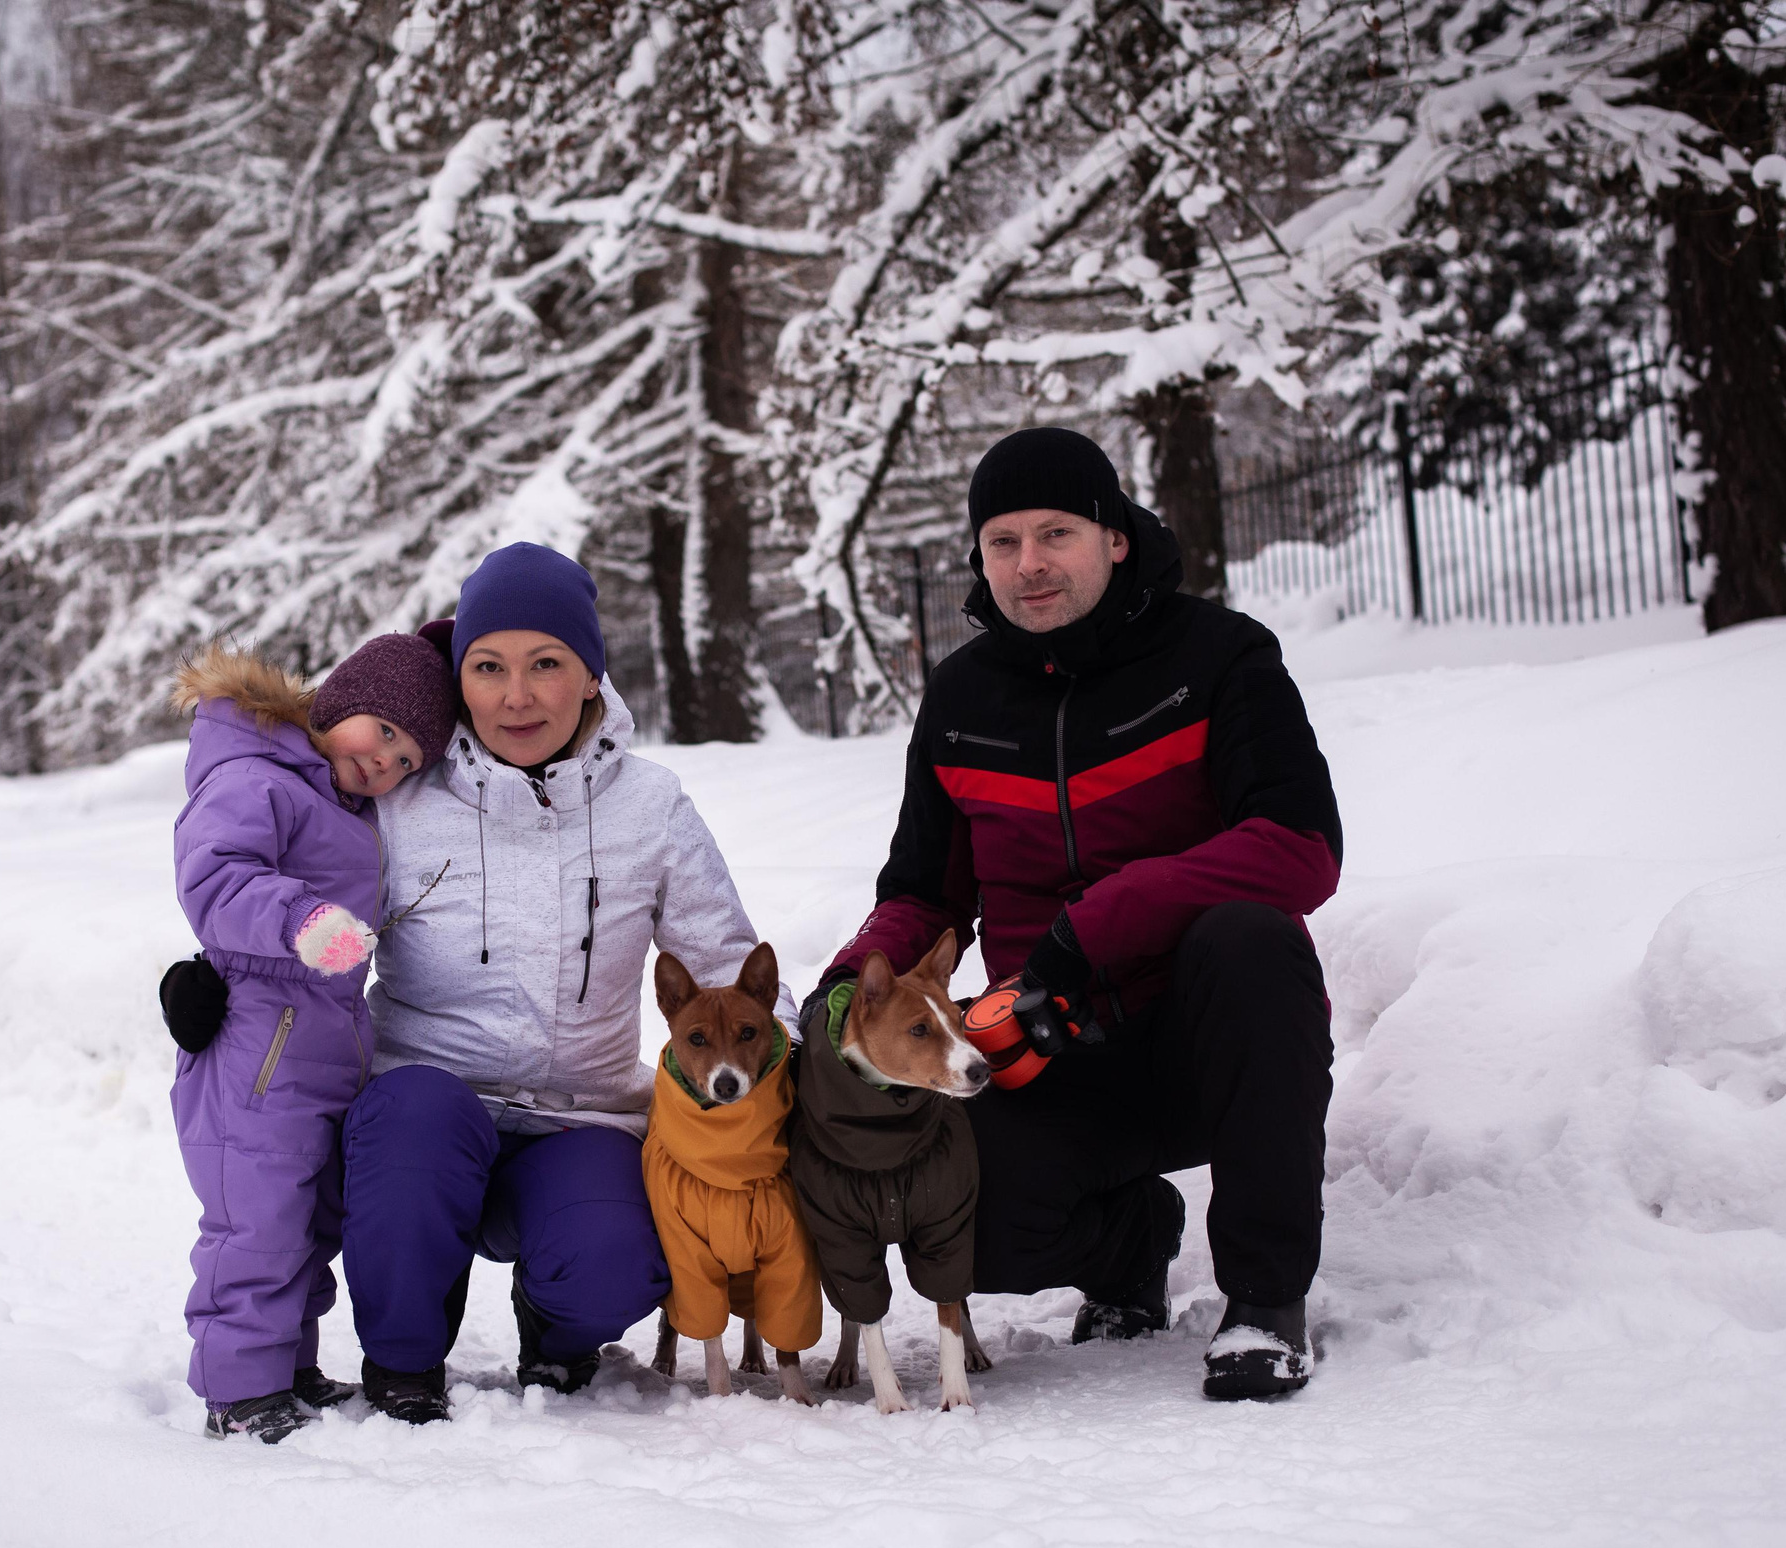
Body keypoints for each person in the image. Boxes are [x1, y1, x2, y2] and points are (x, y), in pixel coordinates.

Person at [819, 427, 1343, 1400]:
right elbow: (925, 893)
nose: (1029, 565)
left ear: (1113, 537)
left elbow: (1300, 850)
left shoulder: (1220, 656)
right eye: (1002, 542)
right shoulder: (962, 698)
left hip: (1214, 1038)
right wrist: (851, 986)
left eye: (1055, 533)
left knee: (1248, 936)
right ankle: (1128, 1248)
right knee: (949, 1216)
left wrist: (1095, 926)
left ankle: (1265, 1301)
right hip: (1047, 1046)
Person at [339, 542, 793, 1424]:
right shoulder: (402, 799)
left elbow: (729, 978)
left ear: (590, 675)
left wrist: (825, 1063)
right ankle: (402, 1360)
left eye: (547, 664)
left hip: (578, 1113)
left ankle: (556, 1329)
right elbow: (312, 935)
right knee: (411, 1138)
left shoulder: (650, 807)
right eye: (489, 667)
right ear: (458, 677)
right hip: (427, 1106)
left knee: (615, 1255)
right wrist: (229, 983)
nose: (517, 695)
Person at [166, 634, 459, 1442]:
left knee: (307, 1219)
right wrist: (301, 920)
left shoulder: (342, 800)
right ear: (342, 697)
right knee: (255, 1219)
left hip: (324, 1040)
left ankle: (286, 1367)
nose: (388, 763)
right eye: (385, 732)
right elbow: (215, 876)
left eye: (408, 758)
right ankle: (239, 1388)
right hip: (255, 1042)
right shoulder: (254, 773)